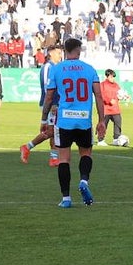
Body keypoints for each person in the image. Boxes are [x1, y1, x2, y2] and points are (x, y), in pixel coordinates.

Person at [42, 38, 103, 207]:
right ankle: (84, 181)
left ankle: (66, 199)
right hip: (84, 120)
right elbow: (98, 95)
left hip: (64, 120)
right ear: (79, 50)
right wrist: (102, 120)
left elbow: (49, 97)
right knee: (86, 154)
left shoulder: (57, 69)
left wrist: (44, 119)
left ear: (65, 50)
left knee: (64, 159)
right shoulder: (90, 69)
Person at [21, 43, 63, 166]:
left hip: (55, 103)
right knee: (52, 131)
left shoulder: (56, 67)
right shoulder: (47, 67)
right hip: (49, 104)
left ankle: (53, 158)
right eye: (58, 53)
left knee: (54, 130)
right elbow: (47, 88)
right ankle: (27, 147)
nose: (60, 55)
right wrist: (52, 103)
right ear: (51, 53)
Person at [97, 69, 126, 146]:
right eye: (111, 76)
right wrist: (109, 101)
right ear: (107, 76)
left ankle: (116, 139)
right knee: (103, 124)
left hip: (115, 109)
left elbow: (120, 93)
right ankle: (101, 139)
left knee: (118, 122)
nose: (113, 78)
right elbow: (101, 95)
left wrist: (124, 96)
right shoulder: (102, 85)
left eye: (113, 77)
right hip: (106, 109)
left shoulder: (116, 85)